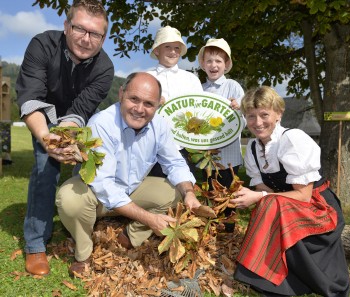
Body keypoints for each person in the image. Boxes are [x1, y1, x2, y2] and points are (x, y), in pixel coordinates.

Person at [55, 72, 202, 276]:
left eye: (149, 104)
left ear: (158, 104)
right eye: (134, 99)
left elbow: (175, 163)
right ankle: (83, 253)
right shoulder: (102, 123)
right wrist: (151, 219)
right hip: (96, 195)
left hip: (131, 189)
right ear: (121, 94)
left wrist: (189, 193)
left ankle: (130, 237)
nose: (140, 109)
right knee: (69, 197)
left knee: (175, 191)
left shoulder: (160, 125)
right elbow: (104, 184)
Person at [16, 0, 114, 276]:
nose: (86, 39)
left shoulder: (105, 69)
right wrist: (48, 139)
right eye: (79, 29)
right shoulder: (41, 45)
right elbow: (30, 97)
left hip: (75, 123)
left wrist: (65, 140)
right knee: (45, 168)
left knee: (84, 171)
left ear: (103, 37)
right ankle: (36, 243)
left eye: (95, 34)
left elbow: (81, 110)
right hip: (42, 117)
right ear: (66, 26)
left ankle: (79, 229)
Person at [230, 86, 350, 296]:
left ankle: (259, 273)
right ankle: (266, 277)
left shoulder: (293, 139)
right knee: (271, 203)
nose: (258, 123)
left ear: (278, 113)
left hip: (318, 207)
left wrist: (259, 197)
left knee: (270, 202)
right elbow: (262, 187)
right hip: (288, 205)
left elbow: (303, 195)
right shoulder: (252, 148)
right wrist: (252, 195)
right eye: (251, 117)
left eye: (264, 115)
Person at [147, 25, 204, 177]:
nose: (173, 52)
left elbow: (200, 111)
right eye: (168, 47)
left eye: (177, 48)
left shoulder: (191, 79)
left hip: (184, 147)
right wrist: (150, 101)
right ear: (157, 50)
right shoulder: (145, 77)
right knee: (154, 190)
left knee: (183, 188)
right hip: (152, 146)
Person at [197, 38, 245, 190]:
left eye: (218, 61)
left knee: (229, 199)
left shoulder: (233, 86)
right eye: (209, 61)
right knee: (210, 195)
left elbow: (244, 120)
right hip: (207, 158)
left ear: (226, 65)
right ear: (203, 64)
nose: (213, 65)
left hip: (229, 157)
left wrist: (239, 109)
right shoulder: (198, 89)